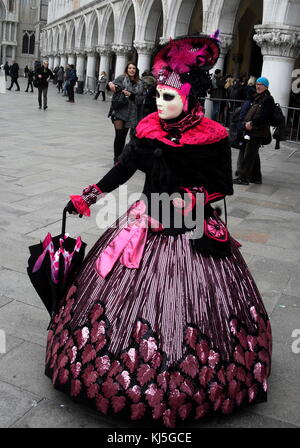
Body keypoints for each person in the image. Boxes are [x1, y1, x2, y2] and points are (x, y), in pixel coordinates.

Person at [43, 33, 272, 428]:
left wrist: (196, 199)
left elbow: (222, 185)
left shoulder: (213, 136)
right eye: (158, 96)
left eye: (169, 97)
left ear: (190, 98)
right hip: (145, 223)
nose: (159, 103)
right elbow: (124, 168)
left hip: (191, 230)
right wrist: (89, 195)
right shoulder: (147, 129)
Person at [233, 77, 275, 185]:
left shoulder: (268, 99)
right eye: (257, 84)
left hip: (257, 131)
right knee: (253, 154)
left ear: (266, 86)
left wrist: (252, 124)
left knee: (249, 155)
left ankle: (243, 178)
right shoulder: (258, 97)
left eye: (261, 84)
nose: (258, 86)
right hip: (251, 130)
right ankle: (256, 177)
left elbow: (264, 117)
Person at [108, 62, 144, 162]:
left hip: (131, 113)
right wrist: (110, 84)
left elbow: (141, 99)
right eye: (130, 68)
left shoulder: (140, 83)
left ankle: (120, 157)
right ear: (126, 69)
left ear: (136, 71)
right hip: (119, 110)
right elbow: (111, 87)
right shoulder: (121, 78)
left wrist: (131, 95)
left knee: (123, 136)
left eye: (134, 68)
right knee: (118, 134)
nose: (132, 70)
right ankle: (116, 158)